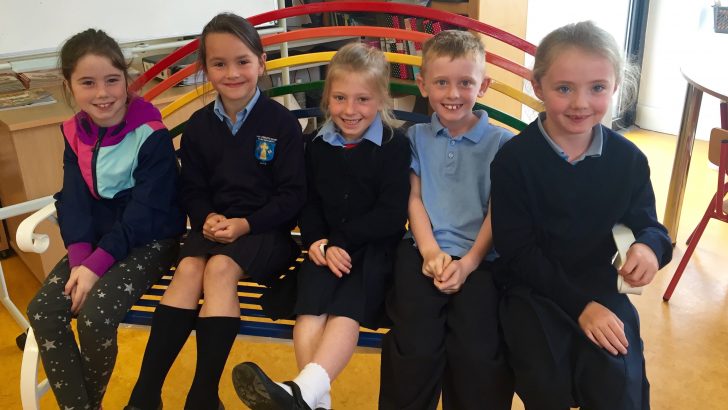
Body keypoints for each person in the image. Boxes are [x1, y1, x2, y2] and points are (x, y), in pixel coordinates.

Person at [125, 13, 306, 410]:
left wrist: (246, 224)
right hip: (213, 229)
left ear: (261, 62)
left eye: (242, 61)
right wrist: (205, 216)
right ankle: (144, 394)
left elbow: (293, 197)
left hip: (267, 233)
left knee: (219, 270)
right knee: (190, 269)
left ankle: (203, 395)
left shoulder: (282, 123)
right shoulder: (199, 126)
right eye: (219, 64)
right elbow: (192, 189)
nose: (232, 72)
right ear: (204, 69)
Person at [490, 21, 673, 409]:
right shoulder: (514, 160)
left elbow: (649, 225)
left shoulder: (628, 160)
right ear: (538, 87)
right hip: (532, 290)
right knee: (545, 375)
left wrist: (649, 249)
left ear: (616, 87)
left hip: (602, 288)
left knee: (619, 378)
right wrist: (580, 307)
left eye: (597, 88)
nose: (580, 103)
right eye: (563, 89)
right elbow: (516, 250)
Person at [232, 42, 411, 410]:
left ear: (381, 100)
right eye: (340, 98)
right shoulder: (314, 144)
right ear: (327, 97)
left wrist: (339, 241)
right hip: (325, 247)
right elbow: (308, 201)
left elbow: (391, 214)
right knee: (310, 305)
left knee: (346, 307)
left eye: (363, 99)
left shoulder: (394, 146)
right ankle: (309, 398)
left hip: (373, 251)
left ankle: (301, 393)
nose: (350, 110)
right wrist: (316, 241)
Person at [25, 29, 185, 410]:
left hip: (151, 239)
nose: (103, 93)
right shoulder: (73, 132)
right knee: (43, 311)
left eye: (113, 80)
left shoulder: (150, 134)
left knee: (95, 316)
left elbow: (146, 213)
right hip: (97, 245)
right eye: (88, 83)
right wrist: (81, 260)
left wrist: (96, 264)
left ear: (126, 80)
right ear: (69, 86)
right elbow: (74, 199)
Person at [378, 30, 514, 410]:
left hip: (482, 260)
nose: (453, 94)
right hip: (421, 251)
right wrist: (430, 252)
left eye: (465, 83)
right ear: (423, 85)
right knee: (414, 344)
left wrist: (468, 264)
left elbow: (496, 212)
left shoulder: (501, 145)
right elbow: (414, 199)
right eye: (441, 82)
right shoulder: (415, 137)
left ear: (483, 86)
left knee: (479, 349)